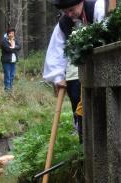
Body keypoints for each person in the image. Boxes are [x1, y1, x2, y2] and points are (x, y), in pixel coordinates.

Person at [43, 0, 105, 140]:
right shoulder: (64, 24)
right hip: (76, 74)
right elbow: (56, 51)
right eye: (65, 12)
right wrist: (58, 77)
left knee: (101, 108)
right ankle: (83, 143)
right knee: (79, 108)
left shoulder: (97, 8)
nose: (69, 14)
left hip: (102, 69)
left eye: (71, 10)